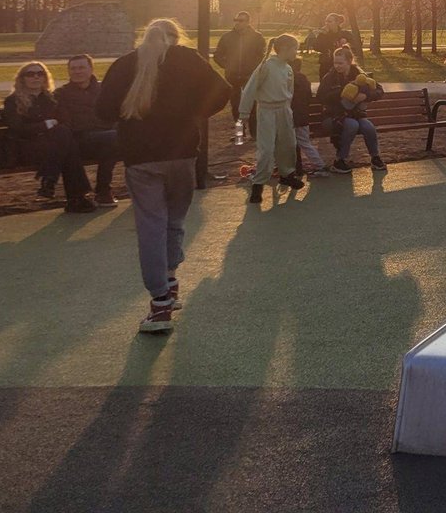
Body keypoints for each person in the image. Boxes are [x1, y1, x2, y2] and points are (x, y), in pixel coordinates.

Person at [96, 19, 232, 334]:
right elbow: (223, 91)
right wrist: (194, 113)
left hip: (141, 157)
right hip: (183, 153)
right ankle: (170, 282)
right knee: (174, 221)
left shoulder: (125, 64)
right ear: (176, 37)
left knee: (150, 226)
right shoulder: (187, 58)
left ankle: (159, 303)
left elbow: (102, 111)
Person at [3, 60, 95, 211]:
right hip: (27, 147)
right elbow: (17, 129)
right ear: (22, 78)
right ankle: (77, 197)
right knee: (67, 146)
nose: (36, 77)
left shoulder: (52, 99)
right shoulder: (13, 101)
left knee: (64, 138)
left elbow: (65, 122)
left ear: (45, 77)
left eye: (40, 74)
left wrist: (53, 129)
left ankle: (50, 180)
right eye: (30, 74)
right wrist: (44, 125)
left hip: (53, 148)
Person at [239, 34, 304, 204]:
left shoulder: (288, 68)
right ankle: (258, 185)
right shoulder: (266, 66)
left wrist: (287, 110)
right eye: (294, 48)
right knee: (266, 149)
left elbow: (289, 92)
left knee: (288, 145)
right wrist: (244, 113)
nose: (296, 52)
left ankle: (287, 174)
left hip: (283, 110)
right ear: (284, 49)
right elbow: (250, 88)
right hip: (267, 111)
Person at [57, 53, 119, 205]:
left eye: (81, 67)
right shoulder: (61, 93)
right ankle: (103, 191)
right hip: (79, 140)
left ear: (91, 69)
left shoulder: (104, 89)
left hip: (107, 138)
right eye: (73, 68)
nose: (77, 72)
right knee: (115, 138)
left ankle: (104, 191)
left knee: (113, 142)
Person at [318, 45, 387, 173]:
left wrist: (366, 95)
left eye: (341, 63)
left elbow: (379, 90)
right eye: (335, 62)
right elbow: (321, 97)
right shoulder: (330, 77)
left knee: (368, 127)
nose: (337, 66)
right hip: (333, 117)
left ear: (349, 62)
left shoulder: (360, 76)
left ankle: (375, 157)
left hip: (355, 114)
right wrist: (342, 92)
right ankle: (340, 160)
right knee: (352, 125)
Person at [212, 11, 267, 133]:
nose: (237, 23)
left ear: (248, 22)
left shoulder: (257, 37)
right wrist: (228, 66)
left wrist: (255, 69)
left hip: (250, 76)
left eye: (241, 20)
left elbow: (262, 57)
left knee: (253, 105)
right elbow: (218, 55)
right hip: (233, 76)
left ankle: (255, 132)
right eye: (236, 20)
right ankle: (239, 133)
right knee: (236, 106)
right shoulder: (227, 37)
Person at [290, 57, 328, 177]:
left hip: (291, 116)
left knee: (288, 142)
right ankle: (319, 165)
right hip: (303, 116)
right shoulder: (304, 79)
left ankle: (319, 165)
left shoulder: (288, 80)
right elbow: (307, 98)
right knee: (305, 143)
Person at [314, 13, 361, 79]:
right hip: (326, 65)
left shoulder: (345, 34)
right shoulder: (323, 35)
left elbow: (355, 47)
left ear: (337, 22)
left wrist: (346, 43)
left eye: (330, 21)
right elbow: (316, 47)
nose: (327, 23)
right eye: (326, 21)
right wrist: (323, 35)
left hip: (342, 64)